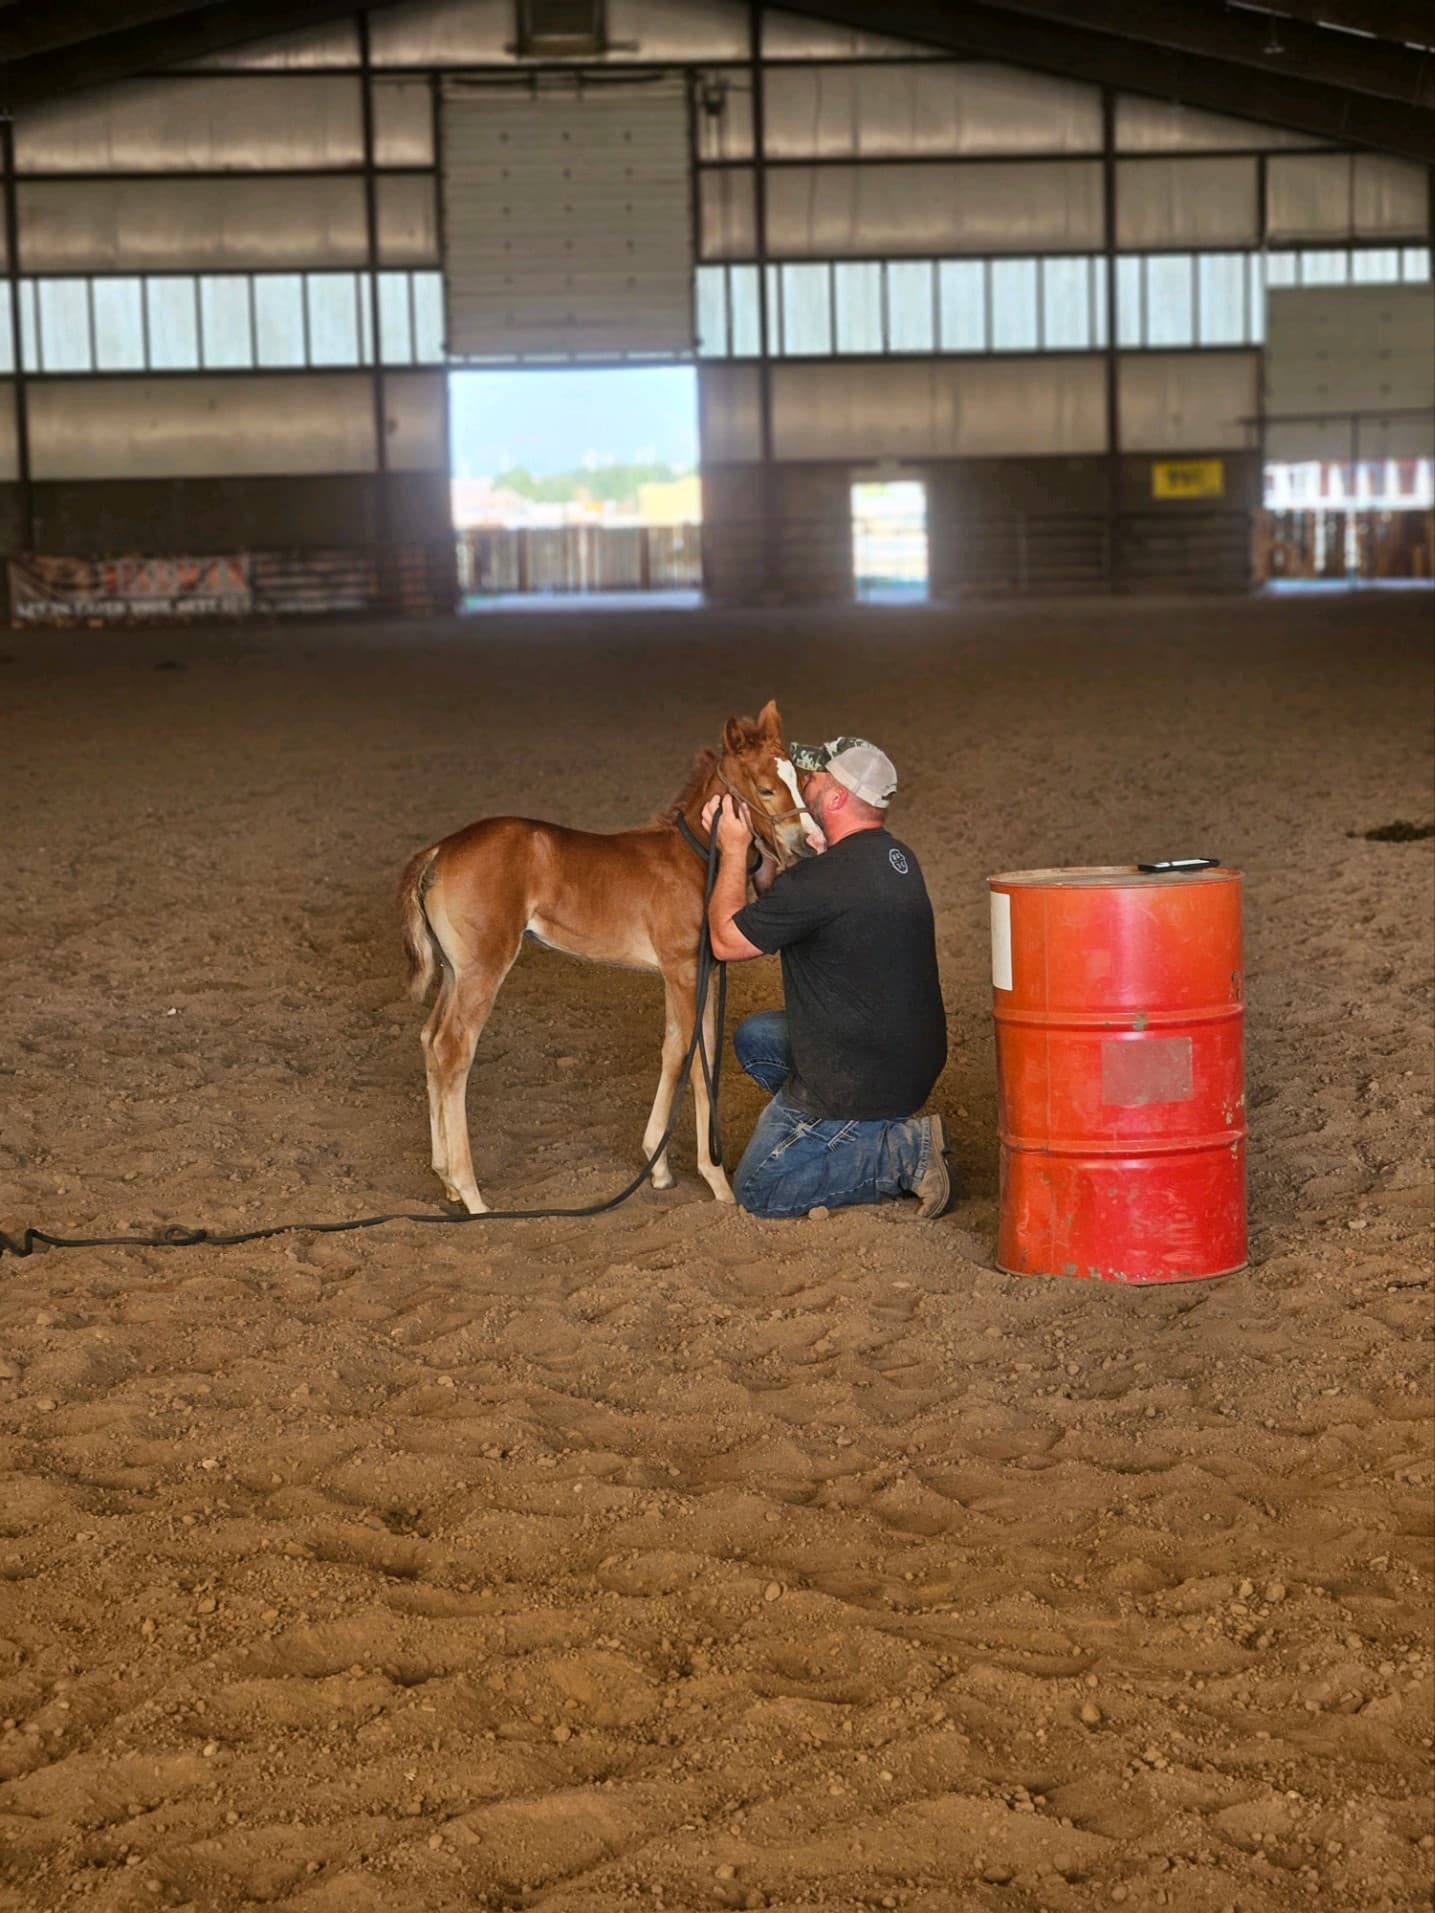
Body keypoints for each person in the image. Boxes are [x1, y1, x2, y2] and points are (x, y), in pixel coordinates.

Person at [702, 736, 951, 1220]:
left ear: (836, 799)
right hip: (908, 1062)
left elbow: (726, 943)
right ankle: (851, 1130)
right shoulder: (896, 858)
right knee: (756, 1038)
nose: (803, 783)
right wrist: (771, 864)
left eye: (815, 778)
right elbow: (808, 903)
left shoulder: (820, 882)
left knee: (760, 1189)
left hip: (857, 1075)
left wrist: (733, 851)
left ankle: (900, 1152)